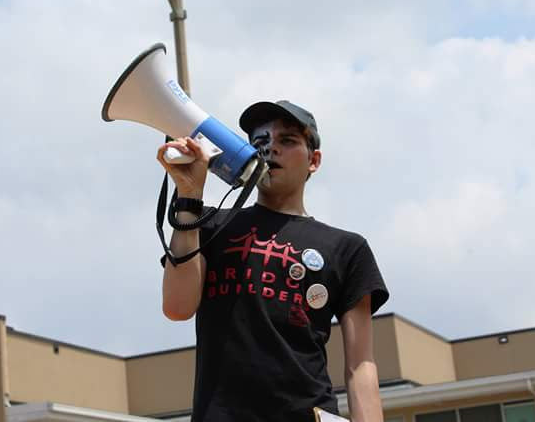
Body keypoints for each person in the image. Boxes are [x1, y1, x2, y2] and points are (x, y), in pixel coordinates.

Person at [157, 100, 389, 422]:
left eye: (288, 140)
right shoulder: (209, 225)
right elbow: (177, 307)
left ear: (314, 160)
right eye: (260, 142)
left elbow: (360, 365)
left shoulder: (347, 248)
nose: (270, 149)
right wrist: (189, 195)